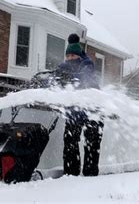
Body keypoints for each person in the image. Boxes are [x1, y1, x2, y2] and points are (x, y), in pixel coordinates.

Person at [56, 33, 104, 176]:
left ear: (79, 55)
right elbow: (54, 81)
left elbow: (84, 78)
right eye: (68, 56)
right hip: (74, 110)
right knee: (70, 140)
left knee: (92, 142)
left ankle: (90, 174)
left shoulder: (87, 64)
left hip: (93, 110)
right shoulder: (62, 68)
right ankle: (71, 173)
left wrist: (69, 77)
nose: (70, 58)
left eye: (73, 55)